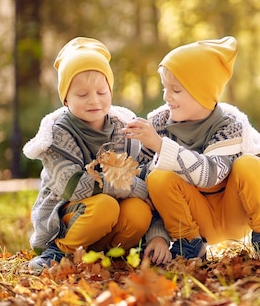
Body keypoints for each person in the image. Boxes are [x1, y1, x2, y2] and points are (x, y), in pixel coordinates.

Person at [124, 36, 260, 261]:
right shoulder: (158, 124)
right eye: (164, 88)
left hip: (234, 213)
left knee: (249, 164)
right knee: (157, 177)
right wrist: (156, 236)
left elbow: (210, 175)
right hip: (194, 218)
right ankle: (189, 245)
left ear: (203, 93)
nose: (166, 97)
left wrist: (160, 146)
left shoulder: (229, 126)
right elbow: (145, 185)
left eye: (176, 90)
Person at [23, 37, 171, 274]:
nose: (94, 100)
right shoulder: (57, 134)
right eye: (82, 94)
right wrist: (134, 187)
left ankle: (113, 255)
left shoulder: (123, 129)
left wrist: (157, 235)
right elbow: (75, 187)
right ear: (66, 99)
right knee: (105, 206)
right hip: (69, 217)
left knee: (138, 211)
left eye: (102, 92)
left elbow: (147, 180)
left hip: (107, 223)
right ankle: (61, 251)